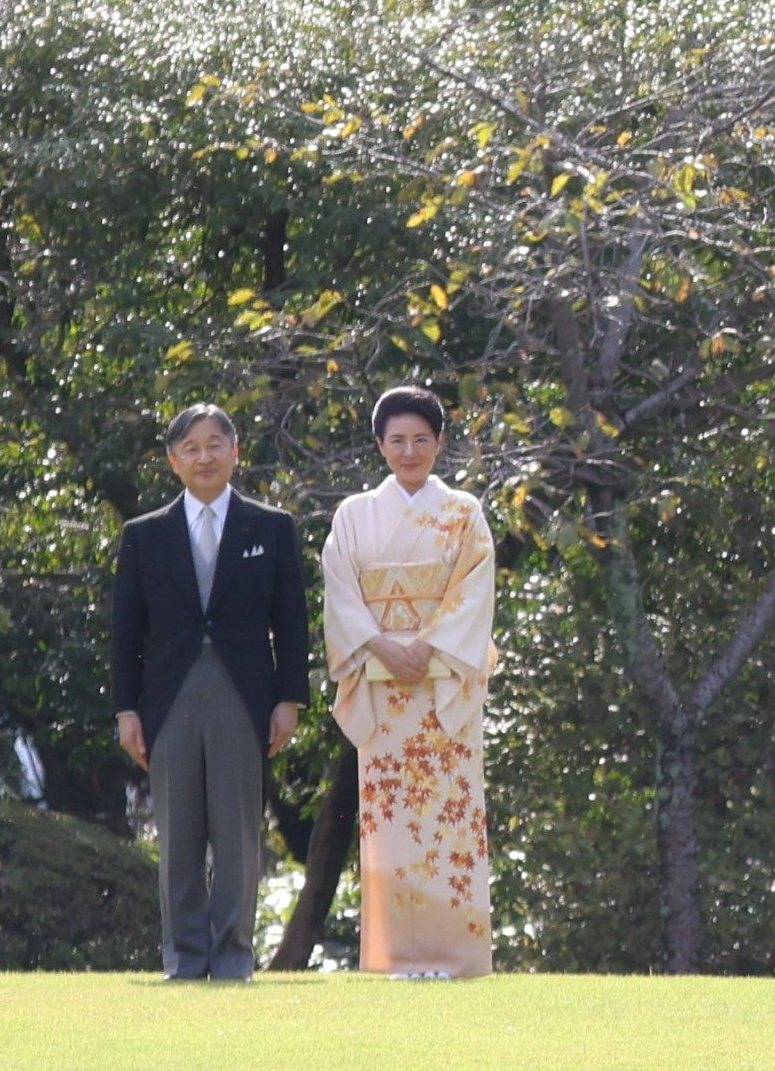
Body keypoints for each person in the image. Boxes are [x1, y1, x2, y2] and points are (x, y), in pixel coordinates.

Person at [110, 402, 313, 982]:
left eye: (214, 444)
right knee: (177, 834)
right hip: (167, 694)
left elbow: (291, 621)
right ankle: (184, 957)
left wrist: (288, 698)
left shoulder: (271, 527)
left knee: (237, 832)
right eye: (191, 448)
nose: (204, 456)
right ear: (174, 462)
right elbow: (126, 631)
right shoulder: (144, 535)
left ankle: (232, 957)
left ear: (235, 452)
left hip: (243, 691)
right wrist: (126, 709)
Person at [318, 386, 497, 979]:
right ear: (380, 445)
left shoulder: (464, 512)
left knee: (449, 820)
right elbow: (340, 590)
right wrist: (381, 646)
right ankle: (397, 957)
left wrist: (426, 645)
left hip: (443, 688)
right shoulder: (353, 515)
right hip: (384, 685)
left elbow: (474, 588)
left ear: (440, 443)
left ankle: (457, 956)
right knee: (390, 824)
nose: (410, 450)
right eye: (398, 440)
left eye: (422, 439)